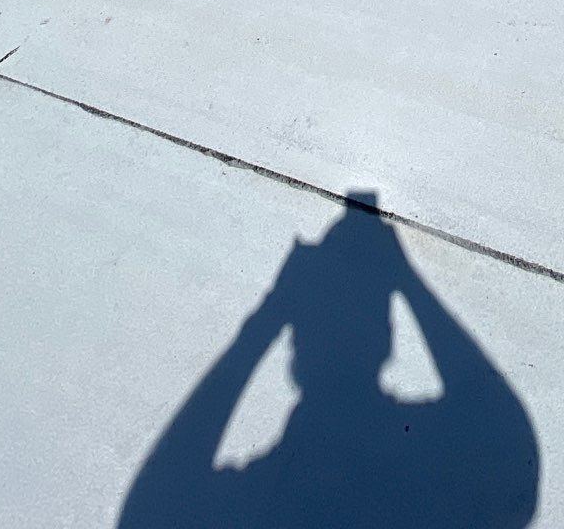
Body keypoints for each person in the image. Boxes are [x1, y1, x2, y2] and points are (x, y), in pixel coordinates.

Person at [119, 194, 540, 528]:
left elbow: (151, 506)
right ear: (389, 341)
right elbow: (503, 429)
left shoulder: (264, 503)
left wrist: (266, 319)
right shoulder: (427, 462)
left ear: (295, 358)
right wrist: (405, 279)